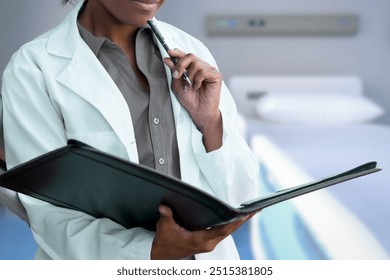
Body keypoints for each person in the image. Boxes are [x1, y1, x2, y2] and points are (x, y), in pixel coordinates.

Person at [0, 0, 259, 260]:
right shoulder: (33, 69)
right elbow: (49, 217)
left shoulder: (191, 50)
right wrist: (150, 252)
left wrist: (210, 122)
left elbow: (239, 197)